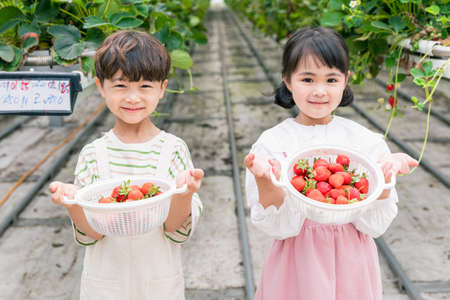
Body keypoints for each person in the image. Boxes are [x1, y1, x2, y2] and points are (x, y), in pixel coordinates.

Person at [244, 27, 418, 300]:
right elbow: (276, 226)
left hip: (353, 263)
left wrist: (384, 182)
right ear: (287, 80)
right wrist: (265, 181)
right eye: (308, 79)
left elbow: (375, 226)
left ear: (346, 80)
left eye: (331, 79)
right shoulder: (272, 145)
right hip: (297, 262)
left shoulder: (365, 142)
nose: (320, 91)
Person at [49, 30, 203, 300]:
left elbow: (174, 230)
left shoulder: (173, 150)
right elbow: (93, 234)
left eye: (145, 86)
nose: (133, 97)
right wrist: (73, 204)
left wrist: (185, 192)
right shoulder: (93, 155)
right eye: (120, 86)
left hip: (158, 283)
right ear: (100, 87)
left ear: (162, 89)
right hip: (106, 285)